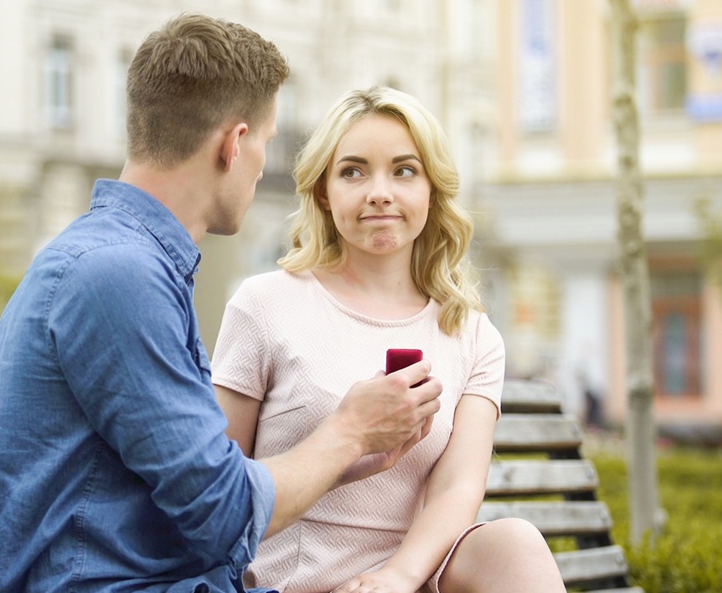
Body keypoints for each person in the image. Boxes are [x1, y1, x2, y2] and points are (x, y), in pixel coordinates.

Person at [0, 16, 442, 593]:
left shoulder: (123, 264)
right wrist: (348, 431)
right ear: (234, 144)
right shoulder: (116, 276)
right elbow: (220, 515)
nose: (261, 166)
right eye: (268, 144)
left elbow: (206, 494)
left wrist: (348, 455)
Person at [212, 86, 567, 593]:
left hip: (410, 577)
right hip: (292, 582)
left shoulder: (472, 333)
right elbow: (218, 486)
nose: (380, 191)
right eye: (353, 171)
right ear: (323, 192)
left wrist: (396, 577)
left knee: (517, 544)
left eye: (403, 170)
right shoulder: (265, 304)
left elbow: (457, 487)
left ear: (430, 190)